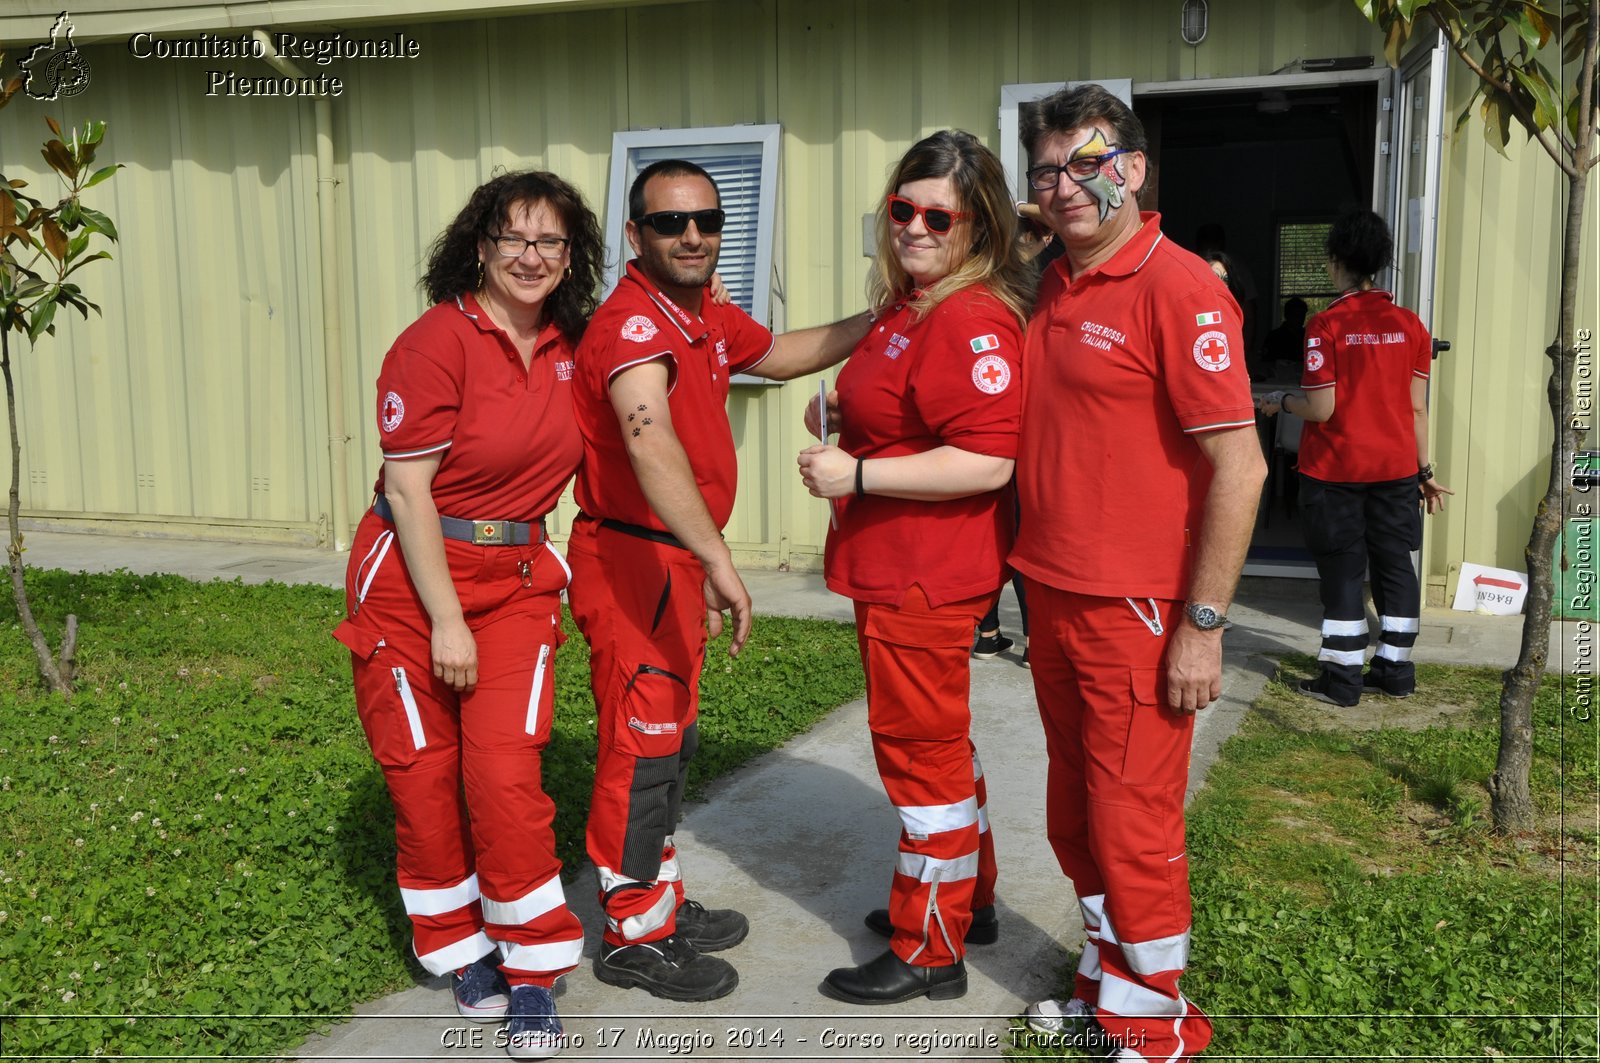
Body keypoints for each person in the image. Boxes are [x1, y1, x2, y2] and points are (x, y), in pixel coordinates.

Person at [567, 159, 871, 1002]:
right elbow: (646, 436)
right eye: (670, 223)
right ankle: (631, 931)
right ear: (637, 235)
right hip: (634, 561)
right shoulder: (635, 326)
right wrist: (717, 558)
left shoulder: (701, 315)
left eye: (706, 220)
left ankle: (657, 898)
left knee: (670, 743)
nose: (692, 235)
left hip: (668, 556)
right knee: (640, 751)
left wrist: (882, 316)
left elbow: (779, 353)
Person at [1013, 86, 1266, 1060]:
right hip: (1051, 591)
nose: (1065, 184)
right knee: (1075, 816)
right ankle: (1106, 983)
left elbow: (1239, 465)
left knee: (1133, 821)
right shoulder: (1046, 280)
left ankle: (1157, 1026)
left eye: (1085, 162)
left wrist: (1201, 623)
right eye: (1045, 169)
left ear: (1132, 166)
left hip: (1137, 605)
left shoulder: (1178, 287)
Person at [333, 171, 603, 1060]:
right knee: (421, 775)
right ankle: (457, 946)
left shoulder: (576, 341)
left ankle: (532, 970)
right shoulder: (435, 342)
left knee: (504, 776)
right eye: (513, 239)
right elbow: (408, 490)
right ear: (479, 247)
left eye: (550, 242)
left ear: (571, 256)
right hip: (412, 582)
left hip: (518, 575)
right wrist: (446, 619)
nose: (532, 258)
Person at [795, 129, 1032, 1004]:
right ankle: (969, 901)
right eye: (904, 209)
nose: (917, 227)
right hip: (894, 568)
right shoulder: (912, 304)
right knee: (941, 749)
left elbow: (985, 459)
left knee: (919, 762)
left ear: (981, 228)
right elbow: (907, 408)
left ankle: (930, 943)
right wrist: (845, 407)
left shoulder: (969, 316)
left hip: (922, 577)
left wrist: (856, 471)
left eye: (941, 216)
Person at [1257, 210, 1452, 706]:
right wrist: (1424, 472)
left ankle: (1342, 679)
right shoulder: (1410, 325)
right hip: (1396, 471)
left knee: (1344, 569)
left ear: (1336, 261)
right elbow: (1417, 408)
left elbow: (1321, 408)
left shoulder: (1327, 325)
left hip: (1337, 472)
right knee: (1394, 566)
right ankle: (1395, 671)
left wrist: (1282, 402)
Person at [1263, 297, 1309, 382]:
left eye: (1302, 316)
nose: (1299, 319)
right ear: (1287, 315)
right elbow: (1267, 363)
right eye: (1296, 315)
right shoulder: (1274, 337)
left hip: (1302, 381)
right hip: (1277, 381)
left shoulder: (1308, 337)